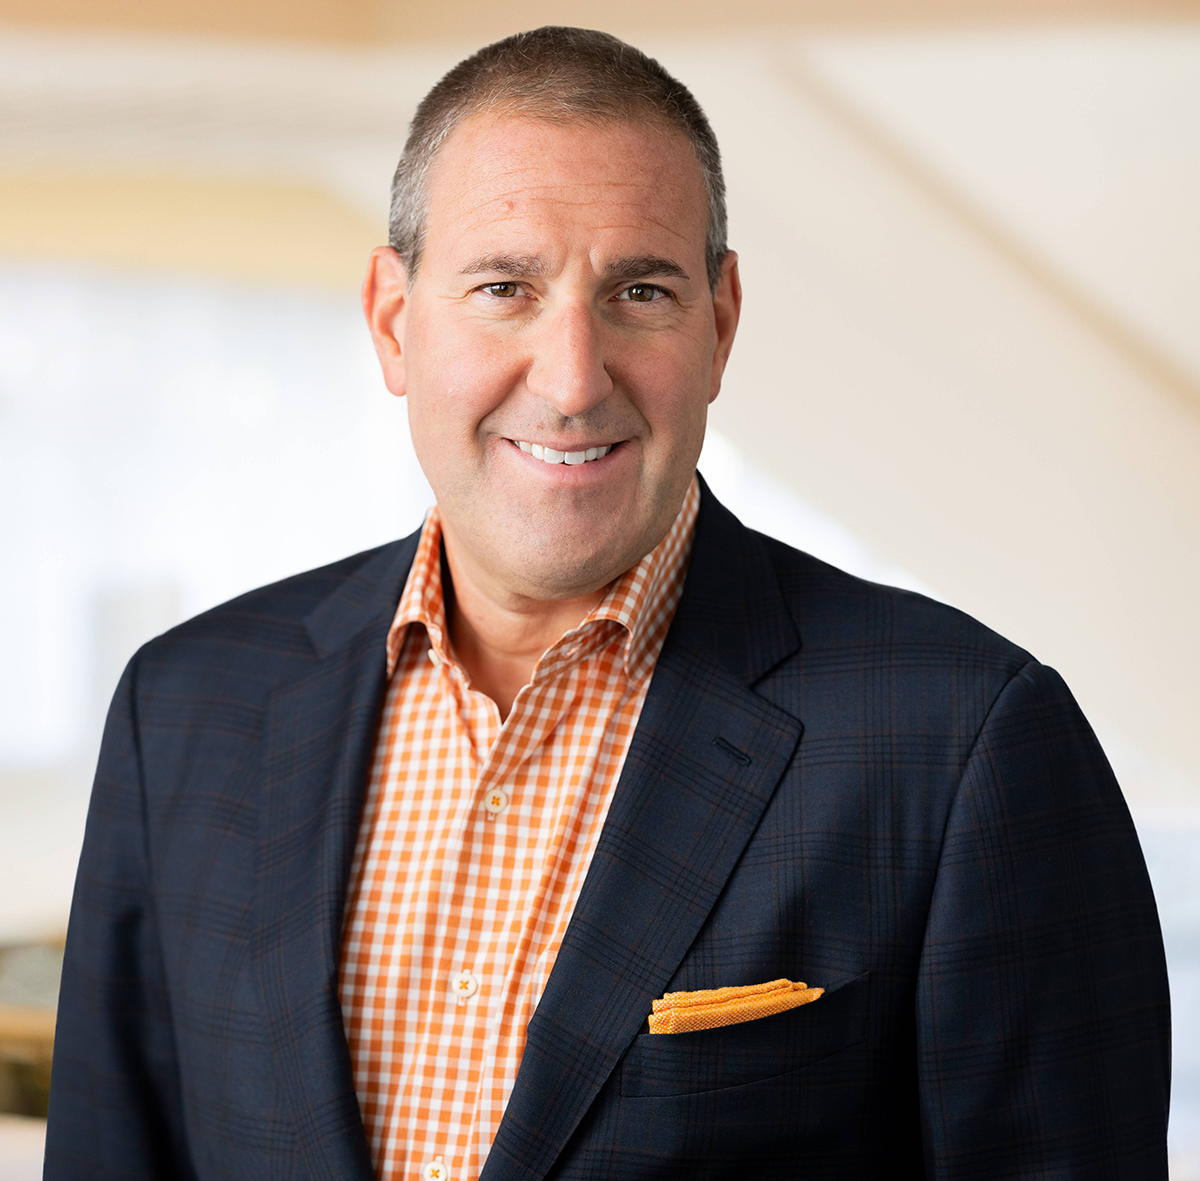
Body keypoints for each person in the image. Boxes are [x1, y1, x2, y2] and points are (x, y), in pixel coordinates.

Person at [45, 25, 1170, 1181]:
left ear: (720, 323)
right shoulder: (183, 709)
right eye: (504, 288)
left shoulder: (965, 742)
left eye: (641, 291)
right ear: (393, 320)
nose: (574, 378)